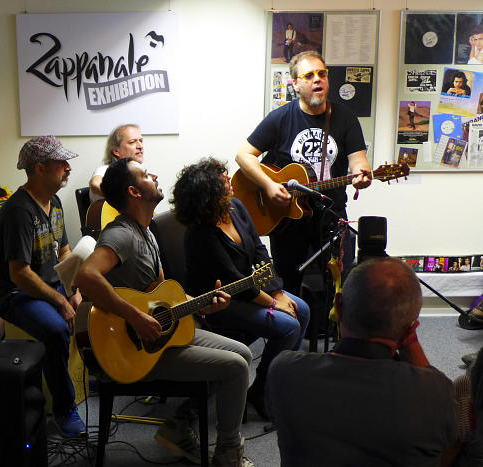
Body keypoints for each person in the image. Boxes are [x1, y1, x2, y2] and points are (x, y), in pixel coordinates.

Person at [74, 158, 253, 467]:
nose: (154, 175)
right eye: (145, 174)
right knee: (236, 367)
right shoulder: (121, 234)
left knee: (244, 354)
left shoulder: (146, 232)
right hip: (134, 351)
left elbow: (164, 295)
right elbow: (86, 276)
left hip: (158, 339)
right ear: (134, 192)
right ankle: (228, 453)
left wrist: (204, 302)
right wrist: (135, 317)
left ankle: (179, 426)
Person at [265, 258, 458, 465]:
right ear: (410, 327)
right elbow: (448, 447)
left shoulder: (284, 371)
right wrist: (410, 341)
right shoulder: (436, 392)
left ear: (338, 307)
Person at [171, 158, 310, 420]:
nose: (228, 179)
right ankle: (262, 390)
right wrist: (273, 303)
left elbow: (259, 250)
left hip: (247, 290)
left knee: (302, 309)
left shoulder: (235, 207)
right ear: (208, 194)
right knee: (289, 325)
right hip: (219, 304)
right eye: (222, 179)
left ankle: (269, 385)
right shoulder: (201, 234)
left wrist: (278, 292)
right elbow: (234, 280)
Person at [236, 50, 372, 295]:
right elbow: (243, 155)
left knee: (340, 284)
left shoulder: (345, 118)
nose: (317, 79)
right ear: (296, 85)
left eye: (322, 74)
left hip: (331, 216)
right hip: (287, 221)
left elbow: (358, 161)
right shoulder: (280, 118)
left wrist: (362, 174)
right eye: (309, 76)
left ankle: (335, 320)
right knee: (288, 285)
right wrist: (268, 185)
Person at [0, 135, 86, 437]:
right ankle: (64, 408)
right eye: (61, 162)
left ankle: (89, 380)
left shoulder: (54, 202)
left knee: (97, 304)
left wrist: (74, 290)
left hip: (48, 287)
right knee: (56, 331)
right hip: (16, 294)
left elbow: (65, 253)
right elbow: (19, 274)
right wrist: (61, 301)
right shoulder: (19, 211)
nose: (68, 167)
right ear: (40, 168)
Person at [88, 123, 144, 203]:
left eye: (141, 141)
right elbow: (95, 184)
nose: (140, 146)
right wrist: (126, 201)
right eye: (132, 142)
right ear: (116, 151)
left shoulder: (136, 173)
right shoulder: (105, 170)